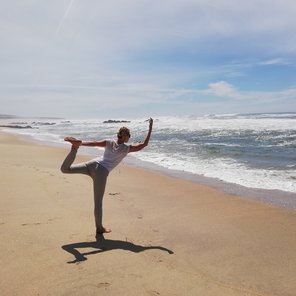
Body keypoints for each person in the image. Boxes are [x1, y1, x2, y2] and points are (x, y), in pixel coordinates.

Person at [61, 118, 153, 236]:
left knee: (65, 169)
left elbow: (93, 143)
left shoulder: (109, 142)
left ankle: (74, 148)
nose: (129, 137)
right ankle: (99, 228)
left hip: (92, 164)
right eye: (129, 135)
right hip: (101, 172)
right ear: (125, 136)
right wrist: (150, 128)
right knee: (98, 202)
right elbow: (144, 144)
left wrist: (80, 143)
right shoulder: (126, 149)